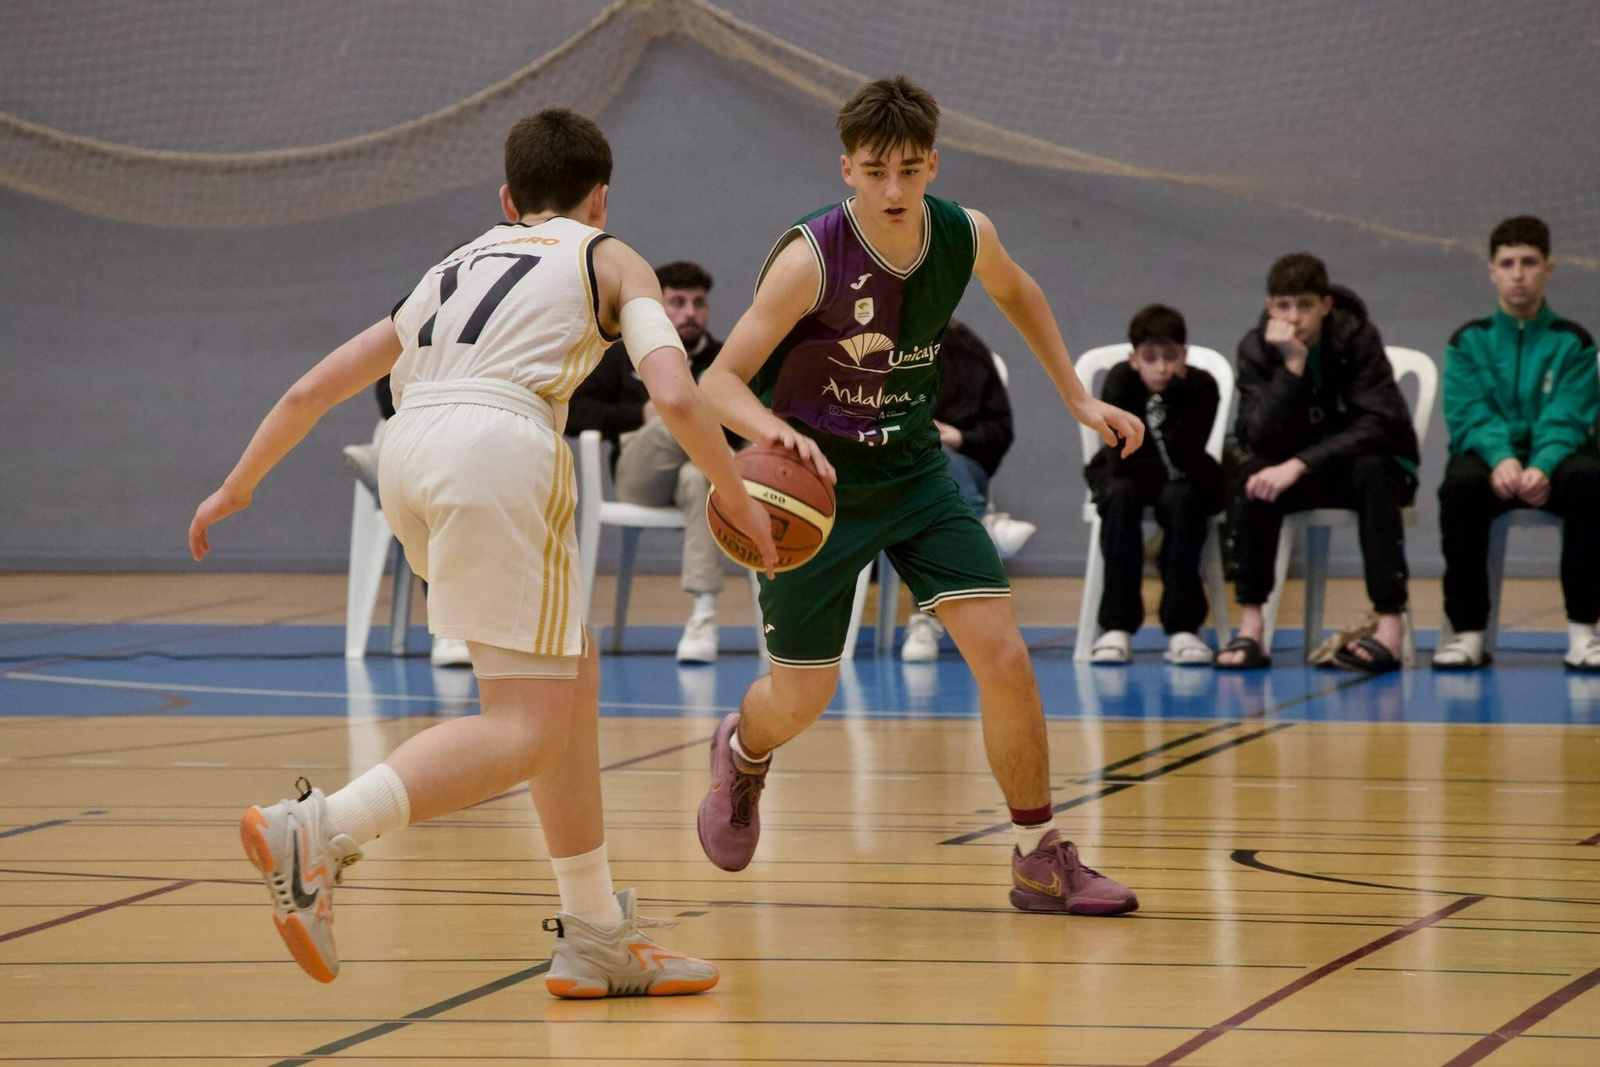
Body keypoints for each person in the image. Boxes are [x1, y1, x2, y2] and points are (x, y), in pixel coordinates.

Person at [187, 109, 777, 996]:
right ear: (601, 199)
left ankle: (594, 934)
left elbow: (314, 387)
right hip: (500, 446)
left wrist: (238, 484)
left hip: (407, 452)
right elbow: (679, 395)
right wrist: (737, 500)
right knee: (523, 726)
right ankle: (322, 827)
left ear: (507, 199)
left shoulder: (450, 267)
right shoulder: (609, 257)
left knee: (567, 676)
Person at [696, 76, 1145, 916]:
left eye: (909, 169)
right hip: (816, 494)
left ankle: (1037, 855)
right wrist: (770, 429)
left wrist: (1076, 395)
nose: (894, 189)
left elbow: (1020, 290)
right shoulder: (810, 259)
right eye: (875, 172)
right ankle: (744, 749)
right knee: (800, 699)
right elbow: (716, 380)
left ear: (934, 162)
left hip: (915, 475)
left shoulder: (964, 234)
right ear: (848, 171)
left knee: (1004, 654)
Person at [1215, 253, 1419, 673]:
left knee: (1374, 469)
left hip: (1356, 470)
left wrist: (1301, 463)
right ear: (1271, 307)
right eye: (1284, 306)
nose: (1295, 318)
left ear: (1325, 305)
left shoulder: (1357, 338)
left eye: (1305, 306)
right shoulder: (1256, 348)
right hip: (1296, 474)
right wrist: (1292, 366)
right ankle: (1252, 629)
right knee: (1251, 475)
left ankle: (1389, 630)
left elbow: (1381, 423)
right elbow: (1257, 434)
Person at [1434, 215, 1600, 671]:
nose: (1518, 273)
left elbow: (1570, 414)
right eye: (1507, 263)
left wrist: (1543, 465)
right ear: (1492, 271)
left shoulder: (1574, 343)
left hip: (1555, 460)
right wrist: (1501, 457)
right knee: (1460, 485)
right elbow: (1468, 413)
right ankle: (1468, 635)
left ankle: (1584, 633)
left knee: (1589, 478)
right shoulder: (1468, 342)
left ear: (1549, 268)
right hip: (1494, 459)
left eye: (1529, 262)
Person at [567, 262, 731, 663]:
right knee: (678, 410)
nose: (690, 312)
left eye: (699, 303)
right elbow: (573, 412)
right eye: (678, 302)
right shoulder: (623, 355)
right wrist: (640, 414)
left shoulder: (725, 359)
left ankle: (703, 617)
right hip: (640, 476)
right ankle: (684, 421)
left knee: (698, 479)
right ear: (658, 308)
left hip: (707, 476)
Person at [1084, 305, 1223, 665]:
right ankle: (1117, 626)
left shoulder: (1201, 386)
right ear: (1134, 360)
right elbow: (1120, 458)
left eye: (1170, 357)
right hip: (1129, 476)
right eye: (1150, 358)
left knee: (1182, 500)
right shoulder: (1119, 381)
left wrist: (1168, 401)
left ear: (1184, 356)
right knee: (1118, 495)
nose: (1161, 367)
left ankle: (1183, 628)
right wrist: (1161, 454)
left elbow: (1190, 454)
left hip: (1183, 480)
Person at [901, 317, 1035, 661]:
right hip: (888, 472)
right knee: (925, 467)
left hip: (959, 467)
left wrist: (959, 438)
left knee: (934, 471)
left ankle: (924, 619)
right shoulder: (864, 347)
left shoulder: (965, 348)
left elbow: (1000, 430)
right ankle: (982, 525)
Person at [343, 374, 472, 668]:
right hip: (433, 439)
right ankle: (453, 626)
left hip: (501, 438)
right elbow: (386, 394)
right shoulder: (413, 333)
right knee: (443, 485)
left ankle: (390, 471)